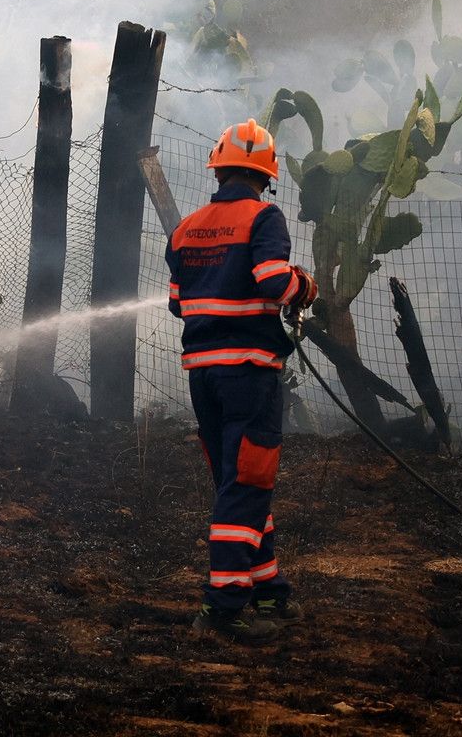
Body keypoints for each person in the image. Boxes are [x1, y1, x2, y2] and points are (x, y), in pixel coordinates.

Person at [165, 118, 317, 645]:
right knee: (248, 484)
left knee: (238, 484)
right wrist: (305, 286)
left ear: (219, 169)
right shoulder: (264, 217)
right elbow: (273, 280)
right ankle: (223, 607)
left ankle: (269, 590)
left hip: (203, 376)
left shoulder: (186, 228)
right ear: (266, 177)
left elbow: (177, 303)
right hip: (249, 374)